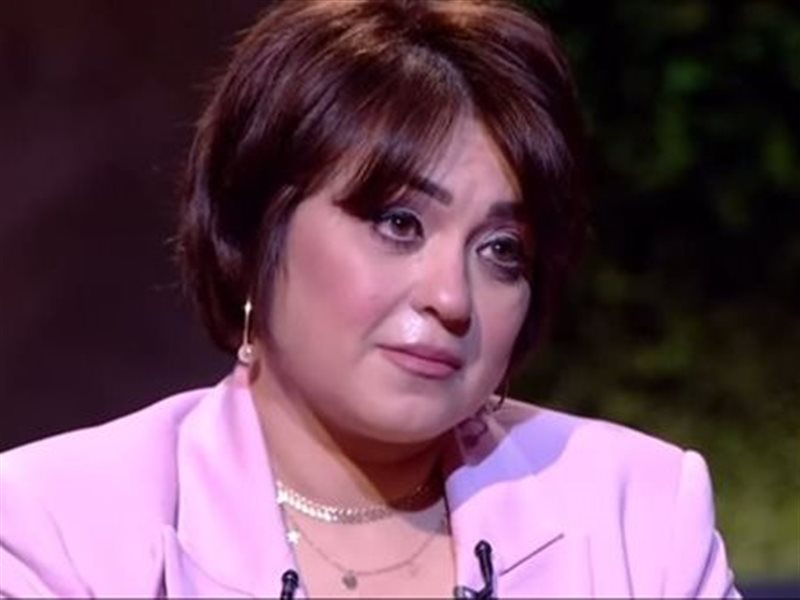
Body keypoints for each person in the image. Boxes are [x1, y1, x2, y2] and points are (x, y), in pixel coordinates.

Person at [0, 0, 740, 597]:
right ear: (253, 230)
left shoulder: (639, 515)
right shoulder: (56, 529)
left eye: (501, 250)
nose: (451, 298)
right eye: (398, 223)